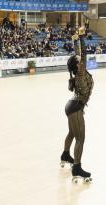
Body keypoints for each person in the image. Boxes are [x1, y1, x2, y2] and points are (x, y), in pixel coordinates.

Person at [60, 26, 94, 183]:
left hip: (71, 105)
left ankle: (66, 154)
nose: (81, 59)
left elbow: (78, 55)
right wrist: (81, 37)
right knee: (81, 138)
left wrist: (74, 40)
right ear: (78, 66)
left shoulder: (77, 71)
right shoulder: (81, 72)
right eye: (79, 61)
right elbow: (84, 55)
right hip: (76, 108)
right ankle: (77, 167)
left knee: (72, 134)